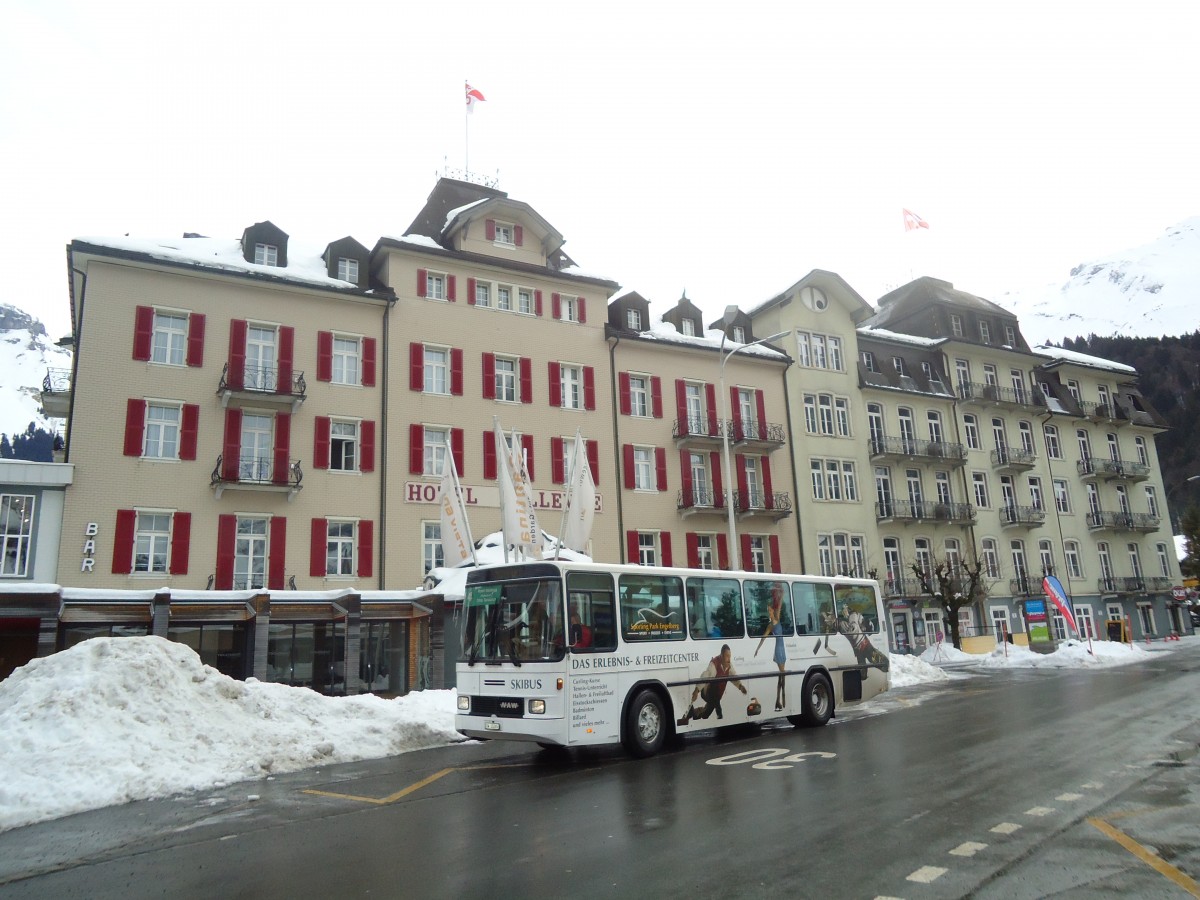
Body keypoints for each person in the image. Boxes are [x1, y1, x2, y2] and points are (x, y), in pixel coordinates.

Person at [677, 644, 747, 725]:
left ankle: (692, 712)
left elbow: (734, 677)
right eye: (727, 656)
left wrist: (740, 686)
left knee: (705, 715)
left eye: (730, 656)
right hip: (707, 692)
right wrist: (697, 690)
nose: (729, 659)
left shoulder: (729, 666)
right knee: (715, 685)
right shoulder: (714, 664)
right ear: (721, 656)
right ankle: (719, 712)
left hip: (716, 698)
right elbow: (706, 676)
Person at [754, 583, 787, 711]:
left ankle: (779, 700)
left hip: (782, 648)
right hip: (778, 650)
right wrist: (758, 648)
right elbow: (763, 638)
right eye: (768, 611)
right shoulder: (770, 626)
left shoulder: (777, 619)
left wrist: (782, 593)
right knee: (782, 674)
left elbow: (779, 605)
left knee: (782, 675)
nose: (770, 612)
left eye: (770, 610)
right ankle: (780, 698)